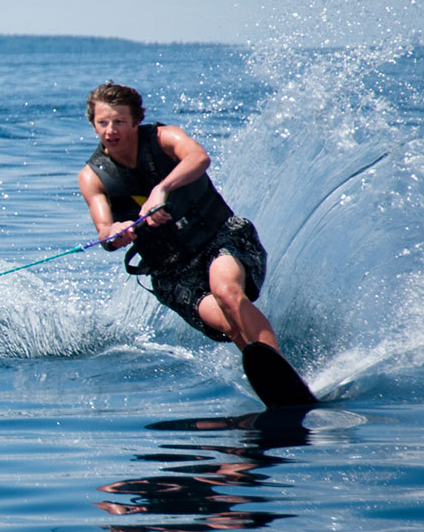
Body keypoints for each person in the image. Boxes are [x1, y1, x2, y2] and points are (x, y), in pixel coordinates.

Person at [77, 82, 278, 350]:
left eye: (119, 122)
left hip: (220, 238)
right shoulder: (92, 177)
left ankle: (278, 361)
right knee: (227, 323)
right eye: (103, 123)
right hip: (172, 273)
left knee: (227, 293)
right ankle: (273, 380)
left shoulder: (164, 139)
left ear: (137, 121)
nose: (110, 130)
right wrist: (117, 231)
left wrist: (162, 189)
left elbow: (199, 157)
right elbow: (104, 232)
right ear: (93, 125)